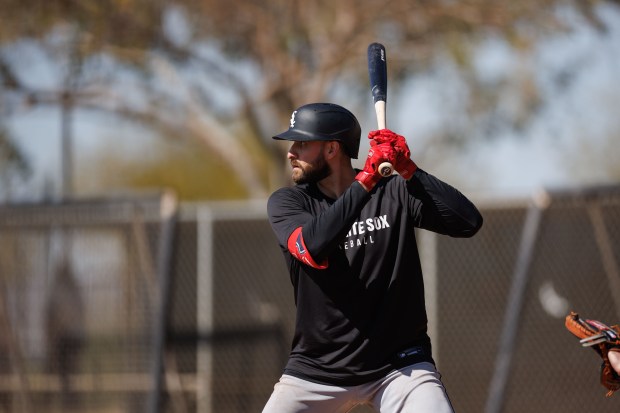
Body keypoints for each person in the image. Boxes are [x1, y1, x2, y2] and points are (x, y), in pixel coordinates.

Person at [263, 102, 483, 413]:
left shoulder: (393, 191)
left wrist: (410, 170)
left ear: (331, 149)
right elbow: (313, 247)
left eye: (302, 143)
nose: (291, 152)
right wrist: (366, 180)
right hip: (318, 369)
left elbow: (468, 222)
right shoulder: (288, 202)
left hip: (399, 365)